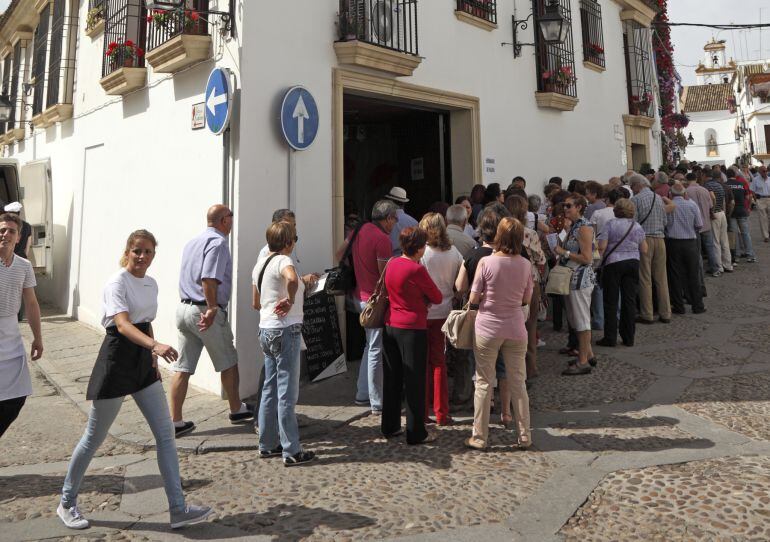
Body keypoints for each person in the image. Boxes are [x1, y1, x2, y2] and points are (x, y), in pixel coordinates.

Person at [59, 230, 210, 530]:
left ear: (154, 255)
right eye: (137, 251)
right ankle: (66, 502)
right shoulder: (117, 282)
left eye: (148, 252)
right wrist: (154, 346)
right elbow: (123, 324)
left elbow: (144, 322)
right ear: (128, 251)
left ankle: (178, 509)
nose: (142, 257)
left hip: (142, 362)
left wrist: (151, 356)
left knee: (166, 434)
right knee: (94, 437)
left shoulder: (151, 283)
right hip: (117, 361)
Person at [171, 205, 252, 438]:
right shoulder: (218, 243)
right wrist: (213, 307)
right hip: (204, 310)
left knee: (183, 367)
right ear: (224, 220)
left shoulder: (192, 242)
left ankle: (175, 421)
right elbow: (209, 278)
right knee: (228, 359)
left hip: (184, 308)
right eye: (231, 218)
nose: (233, 222)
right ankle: (236, 409)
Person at [465, 217, 533, 451]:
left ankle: (480, 436)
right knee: (518, 382)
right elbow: (526, 299)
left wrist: (486, 298)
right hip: (515, 327)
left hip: (488, 327)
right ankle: (524, 435)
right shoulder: (525, 264)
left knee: (484, 382)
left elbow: (473, 297)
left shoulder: (486, 262)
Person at [252, 221, 316, 466]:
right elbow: (290, 279)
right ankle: (291, 450)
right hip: (285, 328)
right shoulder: (284, 261)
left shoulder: (260, 264)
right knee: (287, 391)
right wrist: (290, 300)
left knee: (270, 388)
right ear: (289, 242)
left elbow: (256, 300)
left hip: (266, 328)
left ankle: (267, 444)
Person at [381, 227, 442, 444]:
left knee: (392, 378)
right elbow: (436, 296)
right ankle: (416, 432)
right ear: (418, 247)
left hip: (390, 324)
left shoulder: (392, 263)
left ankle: (389, 425)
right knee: (415, 381)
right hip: (412, 327)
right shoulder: (416, 270)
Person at [336, 199, 397, 413]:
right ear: (387, 218)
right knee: (375, 349)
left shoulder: (358, 230)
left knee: (369, 346)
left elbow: (338, 254)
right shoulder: (382, 239)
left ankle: (363, 393)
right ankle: (376, 400)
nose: (395, 223)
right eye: (394, 219)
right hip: (375, 300)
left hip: (359, 296)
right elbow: (385, 275)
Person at [0, 213, 42, 438]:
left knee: (16, 398)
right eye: (2, 230)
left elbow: (32, 303)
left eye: (11, 231)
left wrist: (38, 337)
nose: (5, 234)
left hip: (12, 342)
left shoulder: (24, 266)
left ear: (18, 238)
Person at [419, 213, 463, 426]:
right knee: (439, 363)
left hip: (424, 311)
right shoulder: (454, 252)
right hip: (444, 311)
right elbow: (460, 280)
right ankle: (441, 412)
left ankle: (424, 408)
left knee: (423, 362)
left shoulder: (424, 253)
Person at [453, 210, 500, 406]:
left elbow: (460, 287)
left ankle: (481, 396)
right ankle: (502, 399)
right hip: (504, 313)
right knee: (501, 358)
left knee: (477, 357)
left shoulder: (472, 255)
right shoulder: (507, 255)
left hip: (479, 311)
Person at [504, 196, 545, 384]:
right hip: (530, 281)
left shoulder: (502, 232)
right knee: (530, 324)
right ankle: (531, 366)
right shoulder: (529, 233)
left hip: (507, 282)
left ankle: (510, 367)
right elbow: (541, 259)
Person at [554, 194, 596, 375]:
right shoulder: (574, 226)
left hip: (580, 279)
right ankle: (589, 355)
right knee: (575, 319)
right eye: (564, 205)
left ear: (579, 207)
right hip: (572, 279)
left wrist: (564, 253)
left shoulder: (584, 228)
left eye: (569, 206)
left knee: (581, 320)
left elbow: (587, 258)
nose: (565, 209)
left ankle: (583, 361)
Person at [596, 199, 647, 347]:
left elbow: (602, 247)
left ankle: (610, 337)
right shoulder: (636, 225)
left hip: (613, 263)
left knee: (611, 301)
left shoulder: (610, 224)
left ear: (616, 210)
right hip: (632, 262)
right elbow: (644, 249)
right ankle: (628, 337)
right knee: (629, 300)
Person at [630, 174, 673, 325]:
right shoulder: (658, 198)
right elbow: (665, 220)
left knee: (645, 278)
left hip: (644, 240)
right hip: (660, 239)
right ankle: (665, 312)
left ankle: (647, 313)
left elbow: (633, 224)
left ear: (636, 185)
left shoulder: (635, 200)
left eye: (632, 187)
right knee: (661, 278)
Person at [666, 182, 705, 314]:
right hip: (690, 243)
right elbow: (699, 224)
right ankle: (697, 305)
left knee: (675, 275)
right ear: (684, 193)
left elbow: (665, 224)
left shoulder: (669, 207)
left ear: (671, 194)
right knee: (693, 274)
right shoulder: (692, 205)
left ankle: (679, 306)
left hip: (673, 243)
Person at [685, 172, 719, 277]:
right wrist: (711, 213)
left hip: (694, 225)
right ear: (696, 179)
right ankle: (714, 269)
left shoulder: (686, 192)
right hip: (706, 222)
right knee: (710, 247)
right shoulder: (704, 190)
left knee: (697, 250)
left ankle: (699, 273)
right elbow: (711, 205)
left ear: (687, 180)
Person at [3, 202, 33, 322]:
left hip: (10, 257)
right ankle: (19, 316)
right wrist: (25, 257)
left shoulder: (6, 226)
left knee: (8, 289)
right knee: (22, 290)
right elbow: (28, 244)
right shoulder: (27, 226)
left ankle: (10, 314)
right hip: (22, 257)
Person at [704, 168, 733, 273]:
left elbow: (712, 197)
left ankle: (719, 266)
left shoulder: (708, 185)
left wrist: (712, 210)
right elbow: (725, 201)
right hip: (722, 213)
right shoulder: (720, 185)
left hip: (715, 214)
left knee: (715, 241)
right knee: (724, 240)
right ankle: (728, 264)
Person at [726, 168, 756, 263]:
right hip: (742, 210)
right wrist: (748, 207)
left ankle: (736, 256)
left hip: (732, 212)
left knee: (734, 235)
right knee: (746, 234)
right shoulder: (741, 184)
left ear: (726, 175)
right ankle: (750, 255)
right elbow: (748, 196)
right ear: (735, 175)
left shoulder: (726, 185)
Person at [385, 187, 418, 256]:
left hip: (388, 260)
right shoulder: (414, 222)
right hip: (407, 260)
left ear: (390, 201)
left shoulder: (384, 221)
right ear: (404, 203)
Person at [750, 166, 770, 242]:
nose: (765, 172)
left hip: (769, 198)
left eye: (766, 171)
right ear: (760, 172)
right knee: (763, 219)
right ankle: (766, 236)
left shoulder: (769, 179)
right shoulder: (755, 180)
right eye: (763, 171)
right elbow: (752, 190)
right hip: (760, 199)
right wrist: (756, 200)